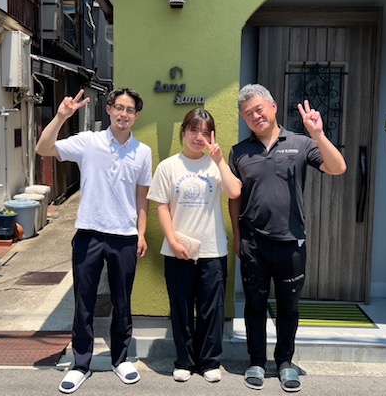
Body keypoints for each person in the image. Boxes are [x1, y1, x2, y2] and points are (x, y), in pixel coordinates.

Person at [228, 84, 346, 393]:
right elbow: (234, 198)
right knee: (254, 304)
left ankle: (285, 362)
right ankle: (256, 361)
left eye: (259, 109)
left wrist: (318, 134)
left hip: (291, 241)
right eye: (248, 113)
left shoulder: (301, 143)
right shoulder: (239, 152)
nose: (255, 116)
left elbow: (338, 168)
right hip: (253, 243)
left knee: (288, 307)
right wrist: (237, 237)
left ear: (273, 106)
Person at [35, 88, 152, 394]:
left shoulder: (142, 152)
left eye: (130, 110)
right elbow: (43, 148)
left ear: (137, 115)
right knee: (84, 302)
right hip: (89, 233)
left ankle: (120, 359)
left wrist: (141, 233)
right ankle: (81, 363)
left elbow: (142, 197)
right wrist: (61, 117)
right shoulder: (89, 141)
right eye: (119, 108)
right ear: (109, 109)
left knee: (122, 302)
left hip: (125, 237)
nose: (123, 114)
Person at [147, 108, 241, 384]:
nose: (199, 137)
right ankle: (184, 361)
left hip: (213, 249)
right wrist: (173, 241)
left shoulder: (216, 165)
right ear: (183, 132)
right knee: (181, 307)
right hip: (178, 249)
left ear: (212, 136)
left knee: (212, 309)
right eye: (194, 130)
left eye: (205, 132)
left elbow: (235, 191)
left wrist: (220, 161)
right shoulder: (168, 166)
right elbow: (161, 206)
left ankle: (210, 361)